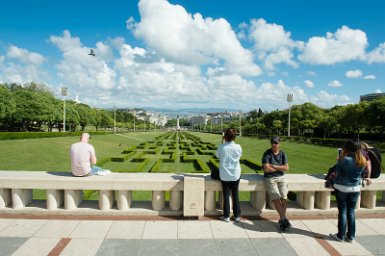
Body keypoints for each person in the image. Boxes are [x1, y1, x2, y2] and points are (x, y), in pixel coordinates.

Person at [330, 140, 366, 243]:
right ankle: (351, 236)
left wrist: (339, 161)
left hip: (341, 187)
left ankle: (340, 235)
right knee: (351, 211)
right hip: (355, 188)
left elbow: (337, 172)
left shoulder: (344, 159)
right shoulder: (362, 160)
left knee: (343, 211)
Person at [262, 136, 290, 231]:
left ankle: (282, 219)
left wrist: (274, 166)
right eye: (273, 143)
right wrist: (280, 167)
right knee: (276, 197)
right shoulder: (267, 154)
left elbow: (286, 168)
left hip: (281, 177)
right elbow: (266, 169)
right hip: (270, 178)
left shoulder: (283, 154)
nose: (274, 144)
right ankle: (283, 218)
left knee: (284, 197)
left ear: (279, 143)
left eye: (276, 143)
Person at [216, 128, 242, 222]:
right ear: (234, 137)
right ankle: (237, 216)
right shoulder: (238, 147)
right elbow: (239, 156)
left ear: (225, 136)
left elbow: (217, 156)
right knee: (235, 195)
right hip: (235, 174)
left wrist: (222, 143)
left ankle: (226, 216)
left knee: (226, 195)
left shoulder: (221, 147)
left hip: (224, 175)